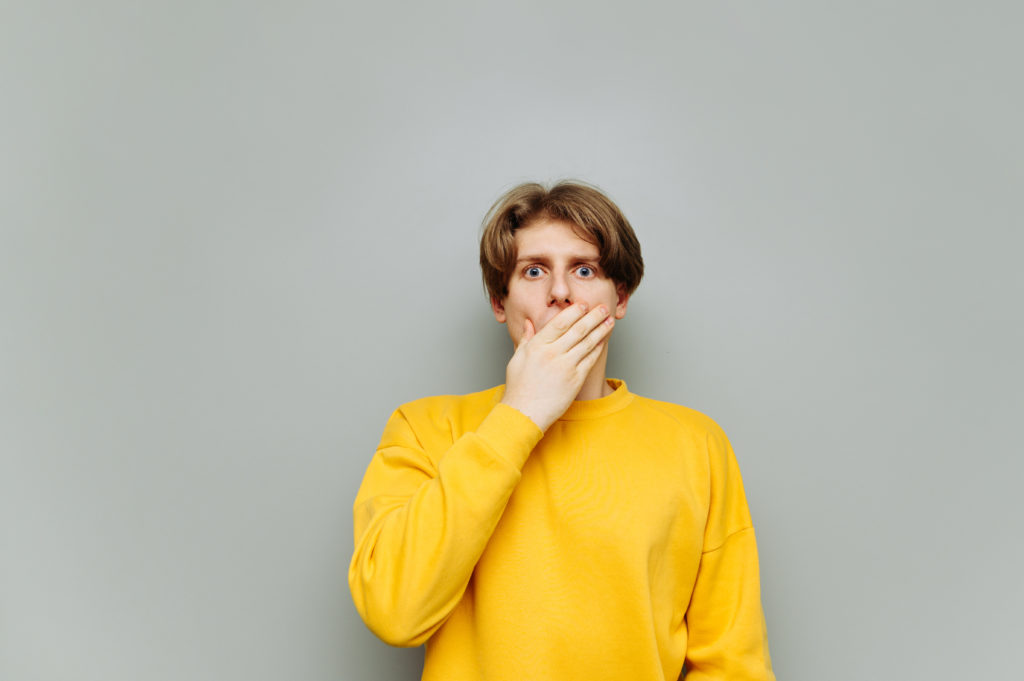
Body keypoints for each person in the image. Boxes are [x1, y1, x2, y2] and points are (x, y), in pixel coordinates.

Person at [349, 181, 775, 680]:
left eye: (584, 269)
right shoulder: (423, 429)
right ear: (499, 302)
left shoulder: (697, 445)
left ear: (619, 297)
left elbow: (733, 664)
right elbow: (394, 612)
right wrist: (520, 415)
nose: (559, 292)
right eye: (533, 271)